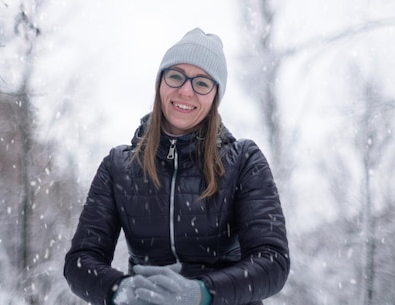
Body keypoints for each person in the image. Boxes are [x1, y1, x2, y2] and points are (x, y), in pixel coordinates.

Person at [64, 28, 290, 305]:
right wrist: (121, 290)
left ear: (215, 95)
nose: (186, 90)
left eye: (202, 83)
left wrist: (202, 294)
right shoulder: (119, 166)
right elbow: (80, 261)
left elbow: (272, 262)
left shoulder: (243, 161)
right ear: (160, 83)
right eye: (175, 76)